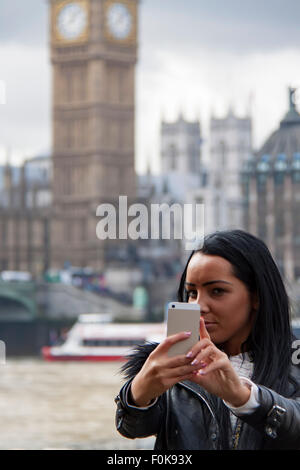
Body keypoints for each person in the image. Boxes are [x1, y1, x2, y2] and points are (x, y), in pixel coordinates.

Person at [114, 230, 300, 450]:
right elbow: (132, 428)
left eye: (217, 291)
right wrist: (139, 392)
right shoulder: (176, 365)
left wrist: (244, 397)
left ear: (256, 296)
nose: (198, 306)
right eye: (192, 293)